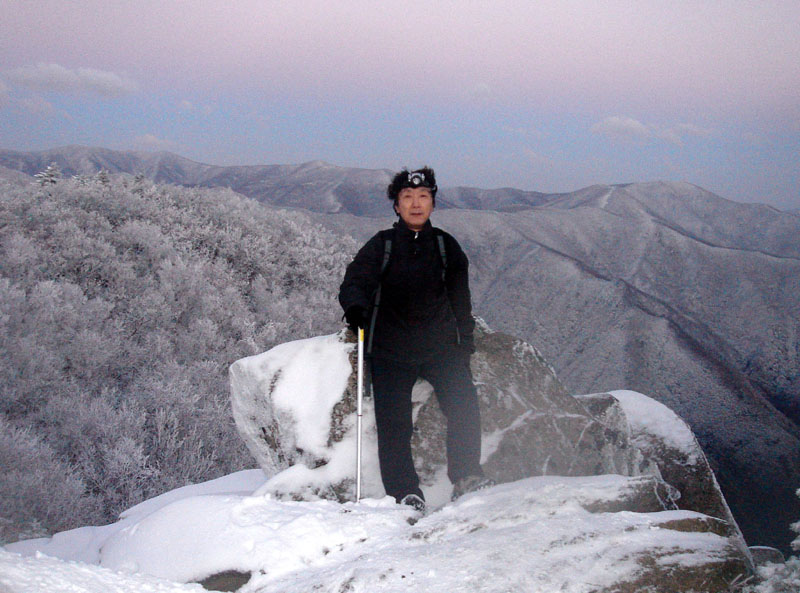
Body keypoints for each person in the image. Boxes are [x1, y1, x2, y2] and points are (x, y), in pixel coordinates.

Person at [338, 166, 493, 512]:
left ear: (433, 203)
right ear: (396, 206)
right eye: (407, 197)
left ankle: (467, 476)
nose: (416, 203)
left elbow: (461, 301)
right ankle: (405, 494)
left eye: (423, 196)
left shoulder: (446, 247)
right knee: (394, 425)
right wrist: (356, 308)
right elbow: (355, 281)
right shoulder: (382, 245)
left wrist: (465, 343)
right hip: (390, 351)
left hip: (442, 349)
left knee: (464, 408)